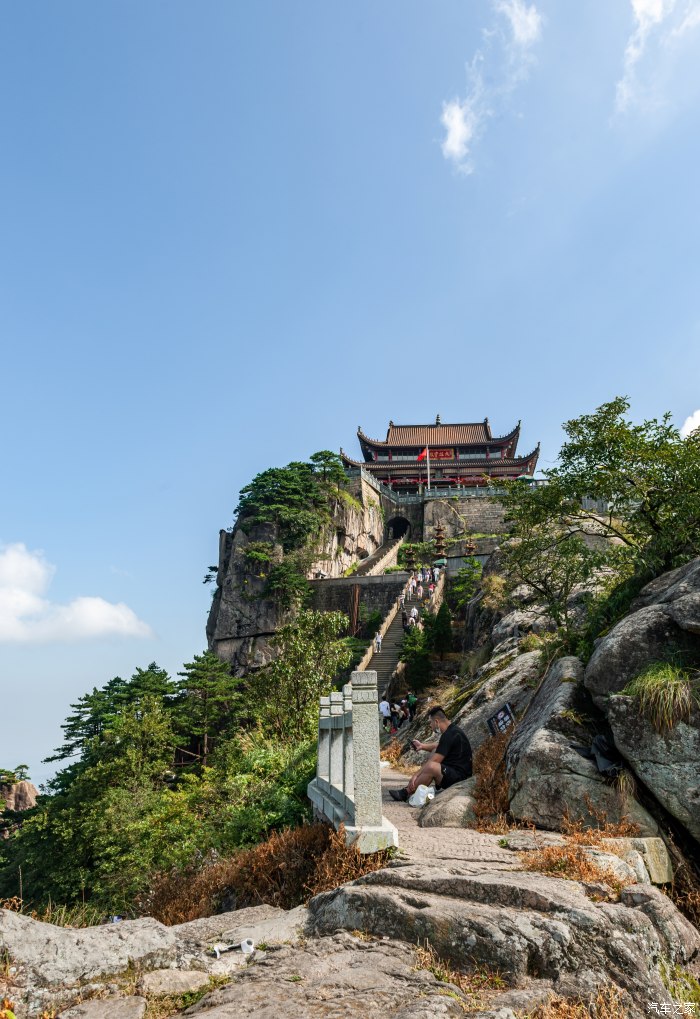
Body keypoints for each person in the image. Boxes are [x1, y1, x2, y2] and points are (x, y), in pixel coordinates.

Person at [389, 706, 472, 801]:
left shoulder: (449, 735)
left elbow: (436, 760)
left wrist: (415, 775)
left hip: (459, 777)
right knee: (433, 753)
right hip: (455, 772)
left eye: (430, 722)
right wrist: (422, 746)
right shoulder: (452, 730)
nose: (430, 725)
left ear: (436, 721)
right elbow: (439, 746)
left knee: (432, 767)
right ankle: (410, 789)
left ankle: (406, 792)